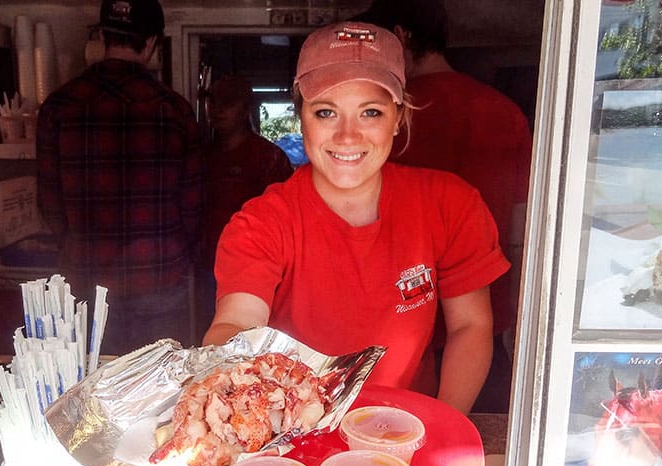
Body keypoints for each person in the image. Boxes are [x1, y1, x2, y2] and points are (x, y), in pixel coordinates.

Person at [204, 21, 510, 415]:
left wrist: (440, 426)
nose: (348, 137)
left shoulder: (451, 204)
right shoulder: (261, 223)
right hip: (296, 441)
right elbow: (238, 324)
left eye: (370, 112)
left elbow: (470, 326)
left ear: (398, 117)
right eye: (326, 112)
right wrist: (226, 370)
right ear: (301, 117)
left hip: (407, 431)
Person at [356, 0, 533, 410]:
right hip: (484, 321)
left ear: (401, 37)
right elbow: (524, 228)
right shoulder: (505, 112)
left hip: (400, 330)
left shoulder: (388, 117)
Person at [36, 0, 203, 356]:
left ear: (103, 37)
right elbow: (192, 205)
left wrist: (80, 246)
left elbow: (49, 204)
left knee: (93, 390)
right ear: (151, 43)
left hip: (87, 281)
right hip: (159, 277)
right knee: (159, 396)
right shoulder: (174, 110)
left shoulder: (59, 107)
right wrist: (178, 255)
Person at [198, 74, 293, 332]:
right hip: (206, 267)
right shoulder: (201, 156)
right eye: (212, 101)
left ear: (246, 108)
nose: (217, 109)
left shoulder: (268, 158)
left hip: (258, 272)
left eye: (228, 102)